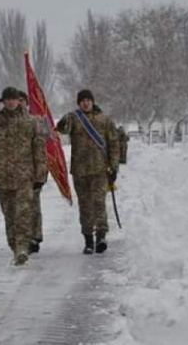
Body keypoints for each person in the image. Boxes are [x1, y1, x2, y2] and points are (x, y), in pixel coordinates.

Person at [0, 87, 47, 266]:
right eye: (6, 99)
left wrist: (41, 174)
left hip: (24, 176)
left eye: (13, 99)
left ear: (19, 100)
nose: (10, 102)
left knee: (23, 213)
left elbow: (39, 149)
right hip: (2, 177)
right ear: (3, 101)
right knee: (10, 216)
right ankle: (14, 247)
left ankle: (22, 248)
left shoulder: (31, 121)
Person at [56, 89, 120, 255]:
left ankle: (101, 237)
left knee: (99, 203)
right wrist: (63, 121)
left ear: (93, 101)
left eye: (88, 100)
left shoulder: (104, 120)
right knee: (85, 206)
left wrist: (114, 167)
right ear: (79, 103)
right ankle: (88, 240)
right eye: (82, 100)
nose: (86, 103)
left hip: (100, 170)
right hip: (80, 171)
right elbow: (62, 129)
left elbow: (113, 144)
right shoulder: (75, 118)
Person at [17, 90, 48, 254]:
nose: (19, 103)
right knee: (19, 208)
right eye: (17, 100)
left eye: (22, 100)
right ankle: (23, 237)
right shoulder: (9, 122)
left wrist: (41, 172)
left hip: (32, 171)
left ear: (27, 103)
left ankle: (35, 237)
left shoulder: (35, 121)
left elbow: (41, 149)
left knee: (33, 205)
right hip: (15, 173)